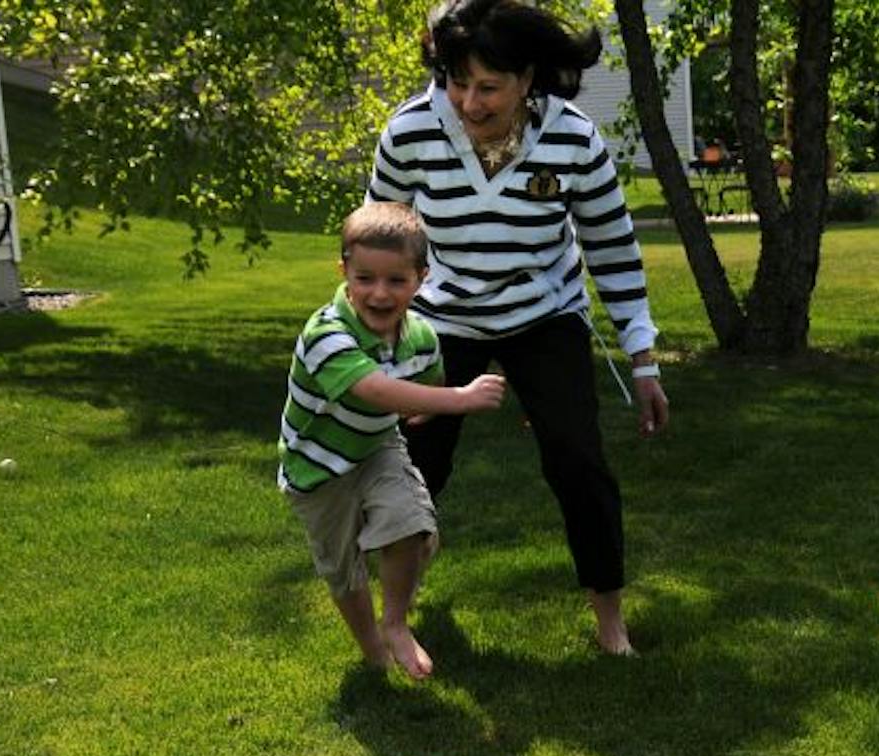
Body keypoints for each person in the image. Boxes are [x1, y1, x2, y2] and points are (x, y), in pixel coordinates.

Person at [368, 0, 670, 656]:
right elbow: (380, 240)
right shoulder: (411, 133)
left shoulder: (574, 139)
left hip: (545, 315)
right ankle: (397, 614)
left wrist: (642, 359)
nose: (469, 103)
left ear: (528, 80)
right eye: (456, 81)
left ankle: (610, 625)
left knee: (578, 461)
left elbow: (612, 250)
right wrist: (368, 342)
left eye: (488, 87)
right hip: (443, 317)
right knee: (413, 464)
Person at [277, 201, 507, 679]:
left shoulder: (420, 336)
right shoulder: (327, 333)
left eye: (396, 281)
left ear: (421, 278)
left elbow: (424, 383)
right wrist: (458, 399)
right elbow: (375, 390)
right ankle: (373, 650)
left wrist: (427, 403)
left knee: (413, 527)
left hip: (378, 449)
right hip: (318, 466)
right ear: (344, 271)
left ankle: (396, 623)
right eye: (364, 279)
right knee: (344, 571)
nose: (379, 294)